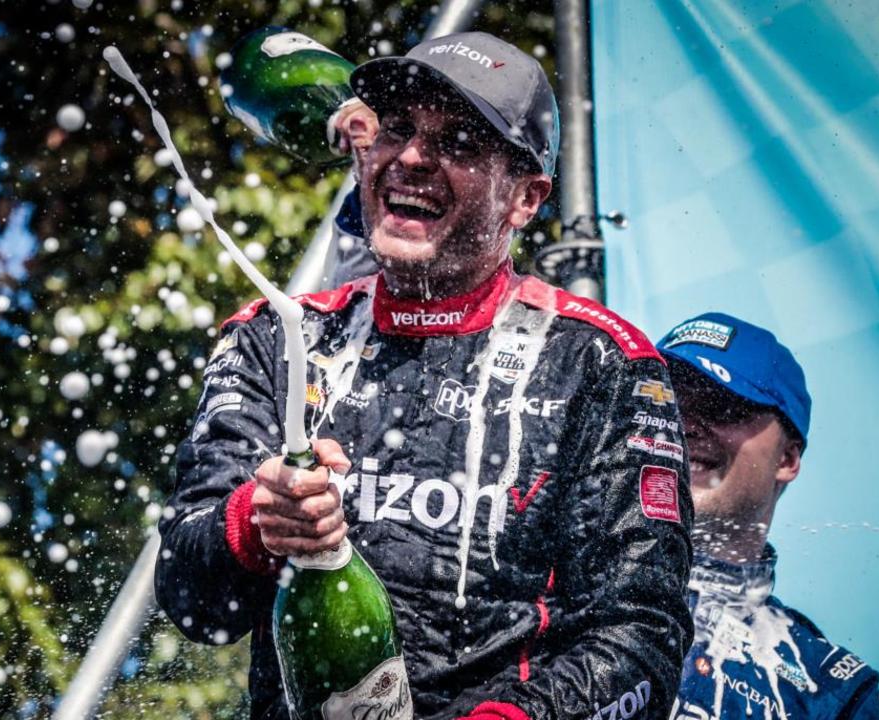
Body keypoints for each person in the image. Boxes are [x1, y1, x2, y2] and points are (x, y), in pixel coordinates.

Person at [157, 32, 694, 720]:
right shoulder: (279, 338)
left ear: (524, 198)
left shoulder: (599, 362)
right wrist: (252, 525)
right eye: (397, 129)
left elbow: (642, 640)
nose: (411, 157)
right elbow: (192, 603)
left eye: (460, 144)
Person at [657, 313, 879, 720]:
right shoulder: (548, 586)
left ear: (787, 457)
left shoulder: (828, 688)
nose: (685, 426)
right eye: (668, 402)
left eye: (720, 405)